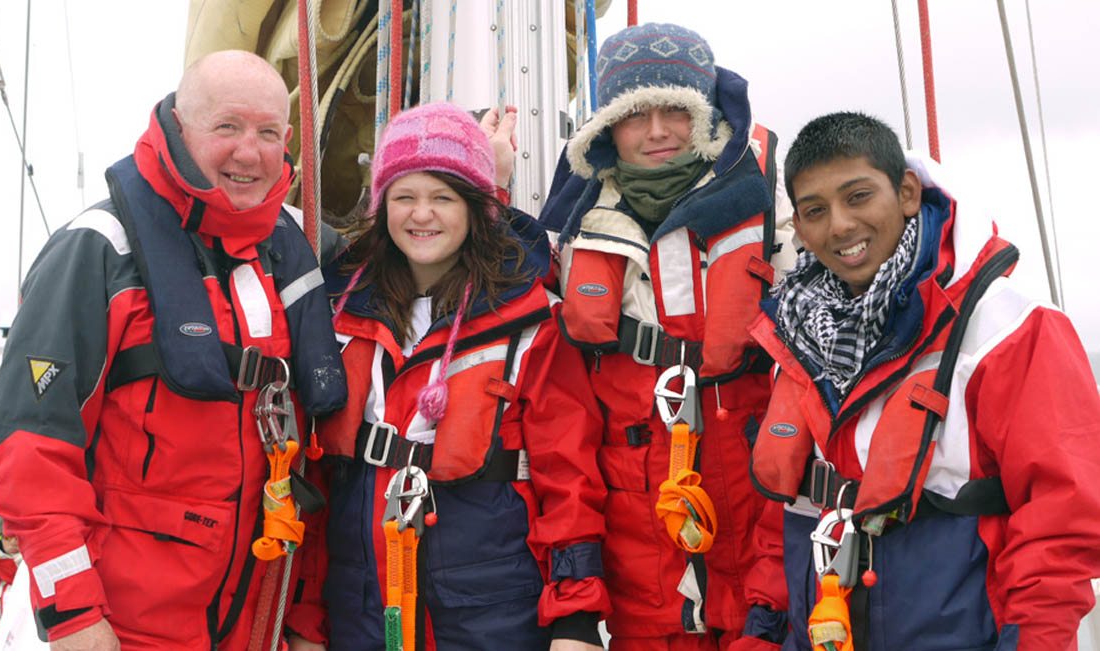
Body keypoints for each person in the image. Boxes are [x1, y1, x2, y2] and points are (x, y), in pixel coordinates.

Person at [0, 50, 347, 650]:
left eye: (268, 133)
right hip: (120, 629)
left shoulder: (303, 254)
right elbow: (29, 446)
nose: (248, 152)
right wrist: (72, 616)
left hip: (257, 622)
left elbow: (323, 464)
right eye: (227, 127)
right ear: (179, 126)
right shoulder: (98, 252)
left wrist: (305, 620)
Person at [732, 111, 1100, 651]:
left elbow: (1062, 520)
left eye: (858, 196)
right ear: (800, 229)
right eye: (815, 211)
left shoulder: (1012, 330)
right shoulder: (794, 335)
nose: (839, 225)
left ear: (906, 192)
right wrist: (761, 635)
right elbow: (783, 514)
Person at [283, 102, 609, 651]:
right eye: (404, 196)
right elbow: (319, 484)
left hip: (493, 619)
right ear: (382, 204)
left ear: (476, 207)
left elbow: (569, 476)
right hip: (361, 613)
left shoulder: (532, 322)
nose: (421, 215)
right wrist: (307, 624)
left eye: (443, 197)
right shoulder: (338, 314)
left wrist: (575, 622)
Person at [539, 22, 795, 650]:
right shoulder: (569, 233)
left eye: (676, 110)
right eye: (635, 114)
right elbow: (558, 416)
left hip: (757, 530)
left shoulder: (778, 217)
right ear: (607, 127)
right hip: (638, 570)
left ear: (705, 114)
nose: (656, 131)